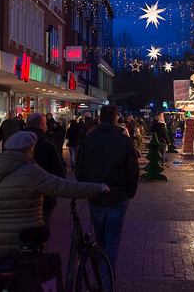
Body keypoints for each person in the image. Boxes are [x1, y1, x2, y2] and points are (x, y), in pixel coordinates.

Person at [0, 131, 108, 262]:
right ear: (28, 149)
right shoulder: (30, 171)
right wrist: (98, 188)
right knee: (30, 276)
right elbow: (62, 187)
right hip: (22, 237)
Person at [75, 105, 140, 275]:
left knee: (101, 238)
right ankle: (107, 280)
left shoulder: (88, 140)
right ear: (115, 118)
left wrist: (86, 189)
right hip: (118, 197)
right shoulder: (123, 140)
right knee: (113, 240)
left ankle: (101, 274)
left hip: (96, 197)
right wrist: (130, 192)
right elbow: (133, 170)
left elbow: (79, 169)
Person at [26, 112, 65, 225]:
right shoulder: (49, 144)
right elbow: (60, 171)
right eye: (46, 124)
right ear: (41, 125)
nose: (47, 127)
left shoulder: (15, 142)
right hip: (44, 195)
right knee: (42, 228)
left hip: (20, 194)